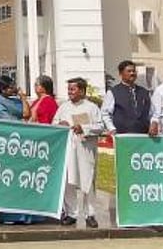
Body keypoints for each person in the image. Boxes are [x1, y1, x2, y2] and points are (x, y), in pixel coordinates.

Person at [53, 77, 105, 229]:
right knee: (69, 180)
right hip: (69, 149)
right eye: (69, 89)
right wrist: (60, 125)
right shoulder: (63, 107)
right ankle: (71, 213)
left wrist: (84, 128)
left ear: (82, 90)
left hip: (86, 148)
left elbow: (100, 127)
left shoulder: (92, 107)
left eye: (73, 89)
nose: (70, 92)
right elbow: (54, 123)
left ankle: (90, 214)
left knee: (88, 181)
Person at [0, 75, 34, 225]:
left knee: (20, 178)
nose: (15, 88)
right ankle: (8, 215)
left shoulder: (16, 100)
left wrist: (22, 98)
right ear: (3, 89)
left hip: (20, 143)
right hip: (4, 144)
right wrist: (20, 120)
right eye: (11, 86)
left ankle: (24, 214)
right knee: (6, 177)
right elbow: (7, 121)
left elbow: (27, 115)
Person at [101, 60, 151, 135]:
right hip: (122, 136)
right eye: (129, 71)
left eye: (134, 71)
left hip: (143, 136)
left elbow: (151, 113)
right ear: (121, 74)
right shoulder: (113, 92)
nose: (132, 73)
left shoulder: (144, 92)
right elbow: (105, 113)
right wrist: (111, 128)